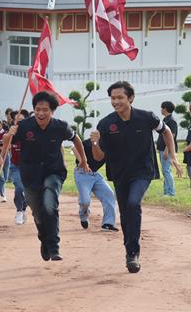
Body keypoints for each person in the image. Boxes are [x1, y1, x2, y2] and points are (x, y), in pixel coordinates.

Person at [90, 81, 183, 273]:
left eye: (120, 98)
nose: (116, 101)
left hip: (142, 171)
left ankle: (134, 253)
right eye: (113, 98)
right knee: (125, 213)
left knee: (133, 204)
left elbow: (166, 131)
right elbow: (99, 157)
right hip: (119, 173)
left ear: (130, 98)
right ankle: (129, 250)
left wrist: (172, 155)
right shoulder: (106, 124)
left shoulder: (146, 117)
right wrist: (95, 143)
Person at [1, 92, 89, 261]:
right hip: (30, 175)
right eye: (38, 109)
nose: (41, 113)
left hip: (53, 172)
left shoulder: (60, 126)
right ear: (34, 110)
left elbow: (75, 138)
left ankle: (54, 247)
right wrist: (9, 134)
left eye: (45, 110)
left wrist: (83, 160)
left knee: (50, 205)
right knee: (37, 213)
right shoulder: (24, 126)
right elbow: (6, 141)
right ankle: (44, 239)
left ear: (52, 111)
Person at [75, 139, 118, 232]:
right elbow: (74, 148)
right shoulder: (93, 142)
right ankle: (83, 216)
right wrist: (83, 161)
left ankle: (108, 223)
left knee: (109, 194)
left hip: (95, 174)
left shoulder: (112, 146)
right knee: (85, 201)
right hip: (82, 173)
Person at [157, 101, 177, 197]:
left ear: (165, 108)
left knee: (166, 170)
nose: (161, 109)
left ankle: (171, 192)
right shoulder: (165, 120)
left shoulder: (171, 121)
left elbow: (171, 136)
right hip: (161, 149)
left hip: (167, 150)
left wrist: (166, 150)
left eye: (161, 108)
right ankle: (166, 191)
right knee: (165, 170)